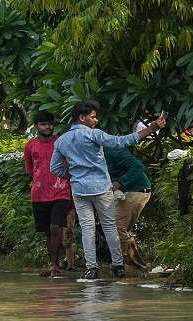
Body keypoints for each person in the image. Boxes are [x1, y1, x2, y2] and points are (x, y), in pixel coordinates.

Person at [50, 100, 166, 280]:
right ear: (82, 118)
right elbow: (121, 141)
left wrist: (72, 176)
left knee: (87, 229)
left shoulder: (61, 141)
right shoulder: (94, 135)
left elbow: (55, 168)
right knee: (109, 227)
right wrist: (151, 128)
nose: (96, 120)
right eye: (93, 117)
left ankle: (91, 268)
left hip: (79, 189)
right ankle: (117, 265)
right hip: (101, 187)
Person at [23, 110, 75, 276]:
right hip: (39, 193)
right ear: (37, 126)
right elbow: (30, 170)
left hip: (61, 191)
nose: (48, 127)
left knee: (56, 227)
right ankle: (54, 264)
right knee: (47, 231)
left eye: (50, 124)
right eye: (44, 124)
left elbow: (69, 165)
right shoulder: (30, 145)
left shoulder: (61, 142)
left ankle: (55, 266)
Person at [104, 146, 153, 269]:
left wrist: (120, 182)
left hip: (136, 190)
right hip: (130, 191)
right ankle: (134, 262)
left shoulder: (114, 150)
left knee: (118, 226)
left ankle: (121, 263)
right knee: (123, 228)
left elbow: (138, 167)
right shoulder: (100, 153)